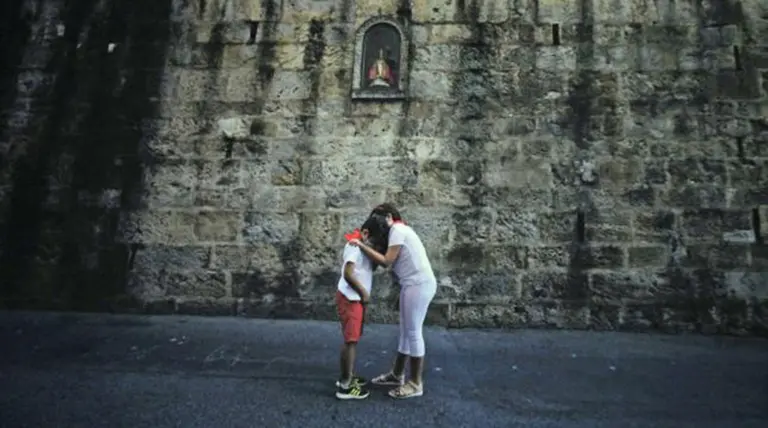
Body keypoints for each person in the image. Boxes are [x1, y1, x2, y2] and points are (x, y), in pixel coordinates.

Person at [349, 203, 437, 399]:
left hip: (418, 284)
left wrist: (361, 245)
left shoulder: (398, 229)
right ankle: (397, 374)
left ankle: (415, 383)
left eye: (379, 219)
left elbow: (387, 261)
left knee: (413, 333)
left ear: (389, 217)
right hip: (412, 285)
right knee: (406, 332)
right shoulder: (396, 232)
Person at [334, 215, 388, 400]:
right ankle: (345, 386)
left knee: (352, 339)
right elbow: (348, 274)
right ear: (365, 234)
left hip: (354, 299)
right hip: (351, 298)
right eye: (374, 242)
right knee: (351, 341)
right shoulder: (354, 247)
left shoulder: (362, 246)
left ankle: (346, 375)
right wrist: (363, 293)